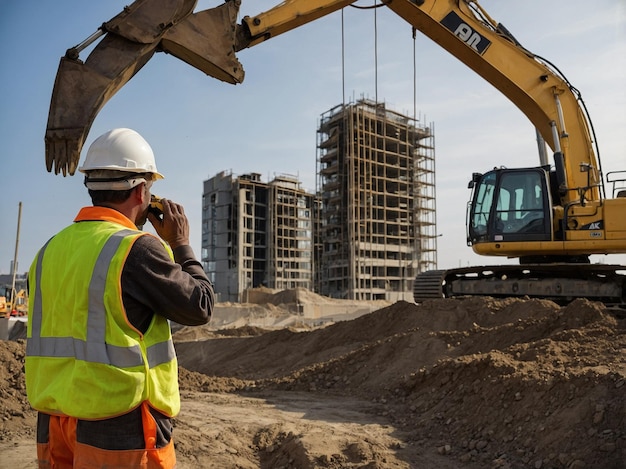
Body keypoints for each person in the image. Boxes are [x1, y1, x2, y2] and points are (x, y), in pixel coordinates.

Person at [25, 128, 215, 468]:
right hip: (118, 425)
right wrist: (181, 244)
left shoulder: (48, 250)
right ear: (142, 191)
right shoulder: (134, 249)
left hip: (53, 422)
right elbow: (200, 305)